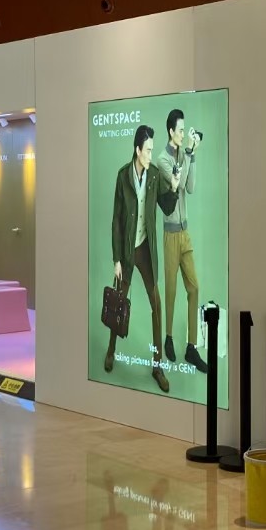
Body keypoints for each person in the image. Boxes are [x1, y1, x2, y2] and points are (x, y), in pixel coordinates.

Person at [108, 125, 169, 392]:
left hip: (146, 249)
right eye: (148, 150)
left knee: (156, 304)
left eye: (152, 150)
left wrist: (174, 185)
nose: (150, 155)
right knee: (118, 302)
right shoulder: (123, 176)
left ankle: (158, 366)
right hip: (127, 251)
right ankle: (111, 350)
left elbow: (167, 203)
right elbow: (116, 221)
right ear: (137, 150)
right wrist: (117, 259)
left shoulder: (154, 175)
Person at [156, 109, 206, 373]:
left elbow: (191, 187)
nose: (183, 133)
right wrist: (187, 153)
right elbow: (178, 183)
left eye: (185, 130)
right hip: (170, 234)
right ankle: (168, 337)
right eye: (180, 130)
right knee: (172, 291)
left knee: (194, 288)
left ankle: (191, 347)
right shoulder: (162, 160)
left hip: (185, 233)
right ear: (170, 132)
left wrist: (192, 155)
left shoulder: (182, 155)